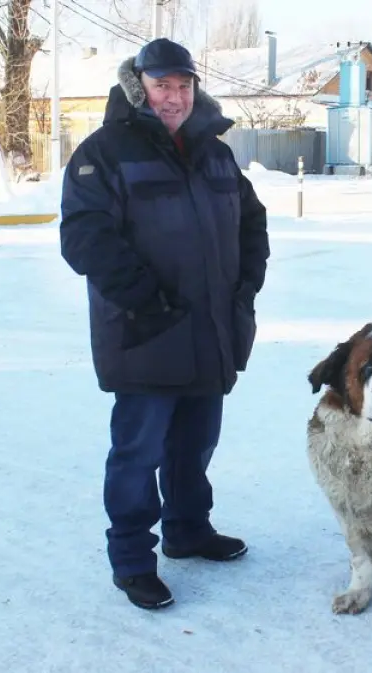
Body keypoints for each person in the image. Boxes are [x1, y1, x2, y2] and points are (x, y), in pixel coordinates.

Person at [58, 37, 270, 611]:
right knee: (138, 453)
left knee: (195, 443)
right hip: (145, 334)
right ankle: (131, 560)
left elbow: (250, 219)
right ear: (139, 87)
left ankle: (187, 530)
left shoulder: (214, 152)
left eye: (183, 85)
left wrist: (245, 285)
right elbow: (83, 237)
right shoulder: (104, 152)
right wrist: (145, 300)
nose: (173, 97)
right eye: (161, 86)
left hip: (211, 331)